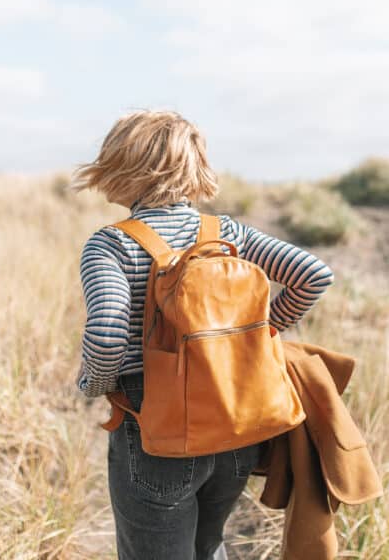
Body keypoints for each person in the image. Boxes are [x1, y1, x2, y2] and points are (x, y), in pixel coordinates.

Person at [71, 110, 335, 560]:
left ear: (121, 164)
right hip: (236, 428)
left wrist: (92, 384)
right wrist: (262, 333)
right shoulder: (227, 233)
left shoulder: (111, 244)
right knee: (209, 546)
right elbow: (313, 275)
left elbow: (109, 334)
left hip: (155, 430)